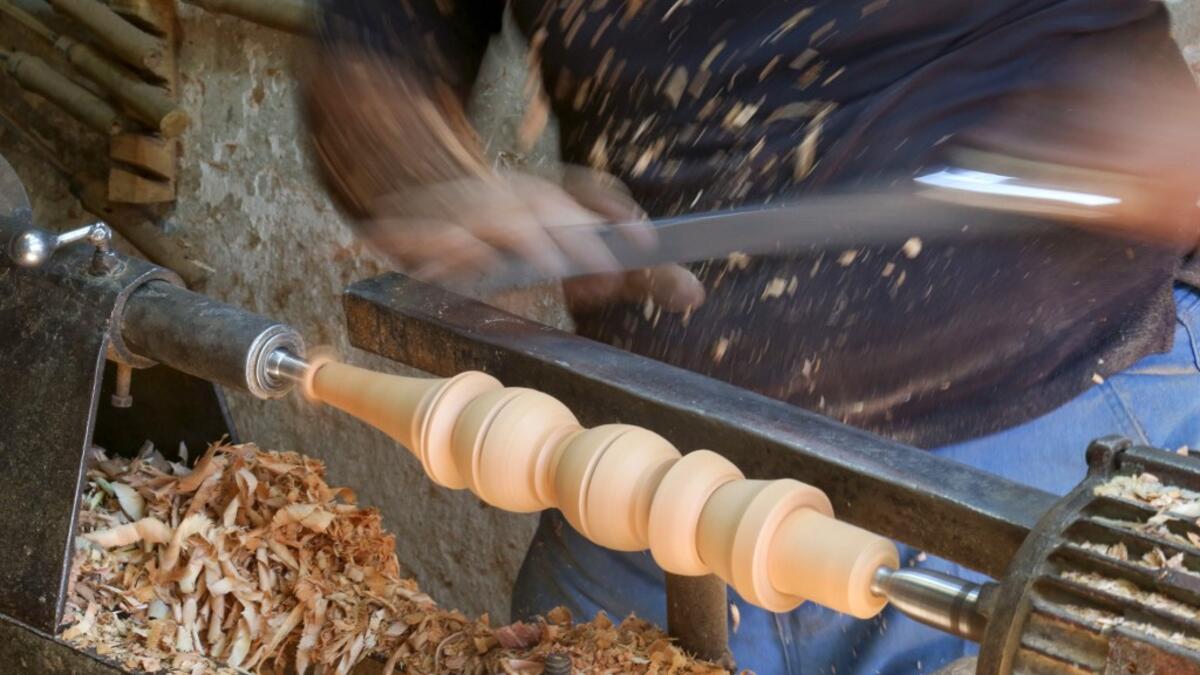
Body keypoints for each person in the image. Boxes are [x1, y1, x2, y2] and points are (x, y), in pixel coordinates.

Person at [303, 1, 1200, 672]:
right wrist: (444, 181)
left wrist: (1165, 145)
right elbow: (368, 62)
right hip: (646, 481)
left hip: (1063, 449)